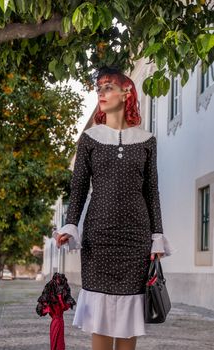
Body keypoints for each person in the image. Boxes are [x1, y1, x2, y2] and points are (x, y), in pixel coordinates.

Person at [53, 67, 173, 350]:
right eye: (99, 89)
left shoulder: (147, 140)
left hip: (135, 240)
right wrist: (70, 225)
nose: (101, 93)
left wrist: (157, 235)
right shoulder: (90, 139)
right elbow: (79, 187)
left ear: (127, 92)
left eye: (108, 87)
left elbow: (151, 192)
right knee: (102, 317)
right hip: (100, 237)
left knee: (129, 316)